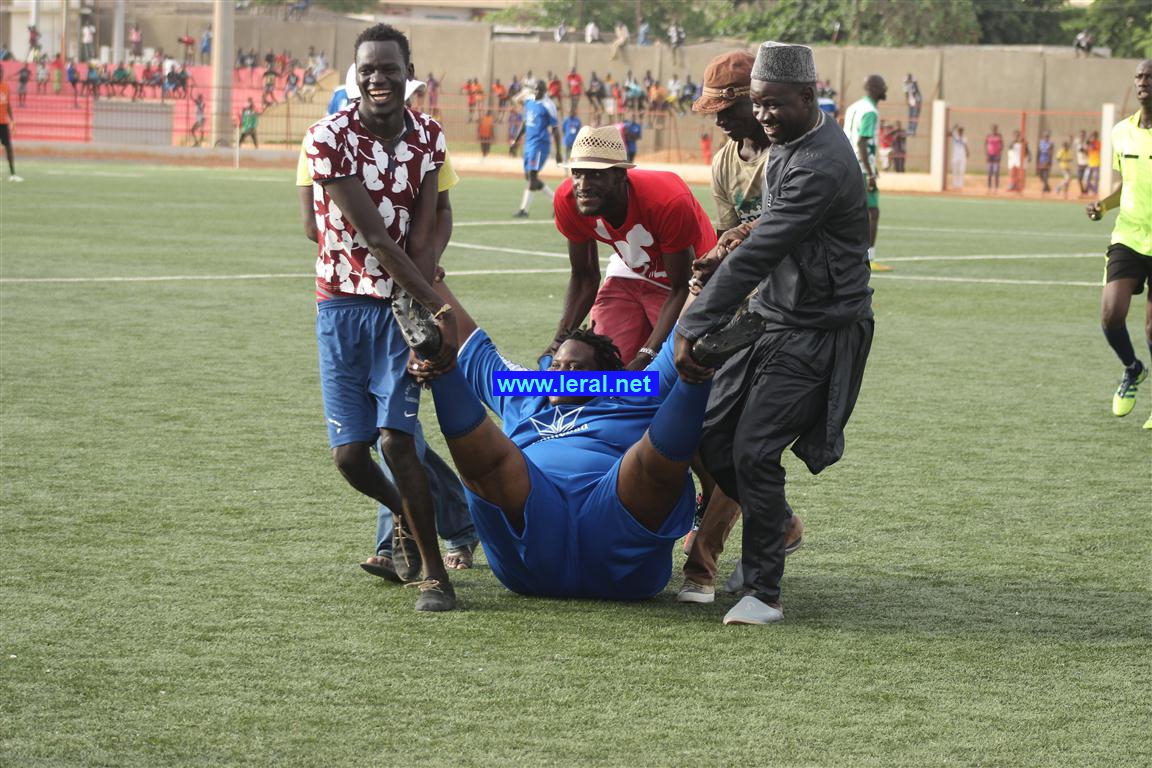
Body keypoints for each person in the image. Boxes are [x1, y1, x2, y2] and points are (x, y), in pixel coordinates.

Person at [674, 41, 874, 626]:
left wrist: (695, 321)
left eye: (773, 104)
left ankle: (763, 592)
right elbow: (761, 230)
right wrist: (729, 245)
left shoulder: (821, 160)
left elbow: (766, 246)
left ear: (808, 97)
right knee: (711, 437)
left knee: (755, 448)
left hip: (817, 327)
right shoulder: (790, 143)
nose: (762, 116)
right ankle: (779, 522)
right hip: (773, 315)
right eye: (756, 104)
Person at [408, 282, 714, 601]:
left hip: (616, 522)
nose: (560, 373)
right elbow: (472, 346)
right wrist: (430, 282)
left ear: (605, 376)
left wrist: (700, 287)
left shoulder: (632, 390)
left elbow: (679, 339)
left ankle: (702, 370)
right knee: (495, 461)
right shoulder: (527, 393)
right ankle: (441, 371)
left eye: (575, 368)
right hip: (532, 529)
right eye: (555, 366)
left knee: (648, 461)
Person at [301, 24, 461, 611]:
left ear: (407, 70)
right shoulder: (328, 136)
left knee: (398, 439)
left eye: (388, 67)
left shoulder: (428, 137)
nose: (378, 78)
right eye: (367, 69)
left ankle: (435, 578)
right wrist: (438, 306)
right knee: (350, 455)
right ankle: (405, 514)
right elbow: (374, 238)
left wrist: (422, 292)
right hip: (341, 303)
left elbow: (430, 221)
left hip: (398, 307)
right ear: (356, 74)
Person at [549, 125, 716, 369]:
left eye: (596, 175)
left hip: (689, 278)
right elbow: (584, 276)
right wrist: (557, 344)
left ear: (620, 175)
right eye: (578, 173)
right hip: (631, 267)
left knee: (672, 367)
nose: (583, 185)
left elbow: (682, 286)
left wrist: (646, 355)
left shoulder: (667, 200)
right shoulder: (568, 200)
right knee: (605, 365)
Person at [1086, 59, 1152, 428]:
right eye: (1139, 76)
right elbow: (1126, 182)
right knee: (1111, 315)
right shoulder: (1121, 132)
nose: (1143, 82)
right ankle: (1133, 368)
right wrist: (1103, 206)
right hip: (1128, 236)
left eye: (1150, 77)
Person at [843, 74, 891, 271]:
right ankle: (869, 258)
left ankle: (850, 256)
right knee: (872, 212)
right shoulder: (870, 111)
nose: (886, 89)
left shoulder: (854, 107)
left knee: (853, 213)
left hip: (848, 165)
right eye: (883, 86)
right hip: (862, 168)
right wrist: (871, 174)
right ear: (874, 88)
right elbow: (863, 141)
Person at [510, 80, 561, 218]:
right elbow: (526, 122)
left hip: (540, 144)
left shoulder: (549, 105)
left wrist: (559, 152)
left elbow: (555, 130)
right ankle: (558, 202)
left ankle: (524, 210)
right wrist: (515, 141)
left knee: (532, 177)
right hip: (529, 143)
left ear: (545, 91)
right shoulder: (529, 101)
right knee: (529, 176)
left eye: (540, 90)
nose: (537, 92)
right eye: (536, 90)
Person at [0, 76, 22, 182]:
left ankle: (13, 174)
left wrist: (12, 119)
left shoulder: (5, 86)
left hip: (3, 123)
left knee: (8, 147)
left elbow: (7, 104)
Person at [950, 124, 968, 189]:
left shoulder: (965, 138)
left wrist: (967, 153)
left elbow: (965, 146)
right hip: (955, 156)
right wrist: (954, 126)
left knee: (961, 171)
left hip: (962, 157)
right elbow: (950, 132)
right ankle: (955, 185)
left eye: (962, 130)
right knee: (955, 171)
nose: (960, 131)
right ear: (958, 131)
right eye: (959, 130)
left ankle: (960, 185)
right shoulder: (955, 137)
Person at [985, 124, 1003, 192]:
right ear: (991, 129)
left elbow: (1002, 145)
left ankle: (996, 188)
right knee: (989, 172)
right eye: (993, 128)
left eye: (995, 128)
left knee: (996, 172)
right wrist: (986, 154)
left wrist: (999, 154)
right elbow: (985, 144)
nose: (994, 130)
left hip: (996, 155)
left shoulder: (999, 136)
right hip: (990, 155)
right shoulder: (988, 136)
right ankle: (989, 187)